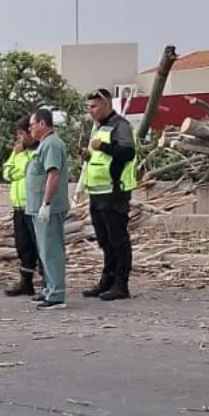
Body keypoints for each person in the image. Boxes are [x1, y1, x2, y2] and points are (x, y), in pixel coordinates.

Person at [82, 88, 137, 300]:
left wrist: (103, 146)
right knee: (104, 240)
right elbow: (102, 159)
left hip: (114, 191)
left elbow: (127, 152)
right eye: (88, 108)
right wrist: (88, 156)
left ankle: (121, 285)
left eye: (94, 107)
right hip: (97, 192)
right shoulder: (100, 127)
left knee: (118, 239)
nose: (91, 112)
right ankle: (107, 279)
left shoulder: (120, 125)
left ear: (107, 105)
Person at [25, 108, 71, 310]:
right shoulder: (44, 145)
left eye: (32, 124)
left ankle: (56, 294)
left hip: (48, 207)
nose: (30, 129)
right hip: (38, 206)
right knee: (44, 249)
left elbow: (53, 174)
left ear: (42, 124)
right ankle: (48, 288)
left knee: (51, 249)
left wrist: (46, 203)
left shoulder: (52, 144)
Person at [2, 117, 40, 296]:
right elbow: (7, 172)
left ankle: (48, 281)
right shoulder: (18, 152)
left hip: (31, 205)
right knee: (22, 245)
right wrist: (15, 157)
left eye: (21, 134)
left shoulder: (36, 151)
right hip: (17, 205)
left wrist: (15, 171)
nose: (19, 139)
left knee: (38, 244)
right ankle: (26, 281)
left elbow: (26, 170)